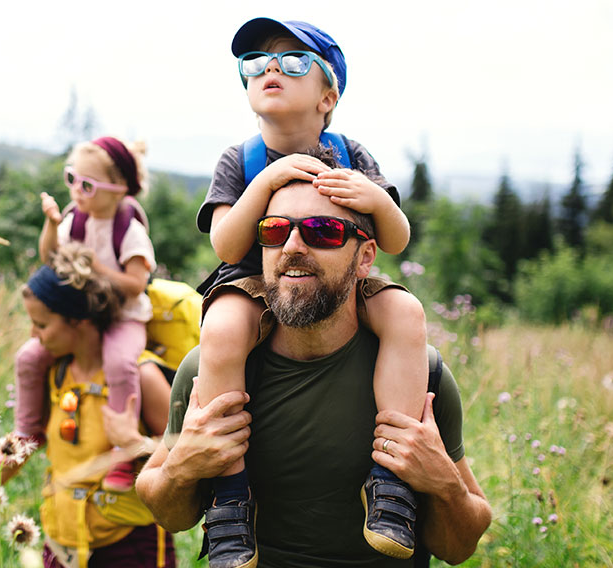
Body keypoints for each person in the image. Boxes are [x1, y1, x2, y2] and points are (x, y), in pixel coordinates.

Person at [137, 145, 491, 567]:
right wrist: (181, 468)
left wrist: (444, 484)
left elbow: (460, 547)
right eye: (273, 231)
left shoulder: (421, 374)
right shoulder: (210, 369)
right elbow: (169, 513)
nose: (292, 247)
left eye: (323, 231)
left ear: (365, 258)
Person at [194, 17, 430, 567]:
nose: (271, 67)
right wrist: (266, 186)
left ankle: (391, 479)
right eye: (255, 63)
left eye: (293, 60)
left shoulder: (351, 153)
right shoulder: (241, 160)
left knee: (406, 312)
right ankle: (230, 499)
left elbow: (395, 239)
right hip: (257, 278)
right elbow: (229, 247)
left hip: (337, 273)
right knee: (221, 328)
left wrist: (372, 197)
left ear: (328, 96)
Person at [0, 243, 177, 568]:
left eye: (42, 325)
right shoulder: (55, 374)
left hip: (131, 547)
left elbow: (186, 452)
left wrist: (134, 444)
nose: (33, 335)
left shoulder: (142, 376)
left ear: (80, 320)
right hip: (62, 542)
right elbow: (20, 446)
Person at [14, 136, 156, 493]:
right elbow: (51, 257)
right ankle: (27, 431)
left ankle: (123, 451)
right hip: (84, 317)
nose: (77, 191)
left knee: (121, 364)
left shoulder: (129, 230)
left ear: (119, 189)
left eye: (88, 185)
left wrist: (99, 269)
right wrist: (51, 224)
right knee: (29, 357)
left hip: (124, 316)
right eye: (71, 179)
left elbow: (136, 284)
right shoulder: (75, 220)